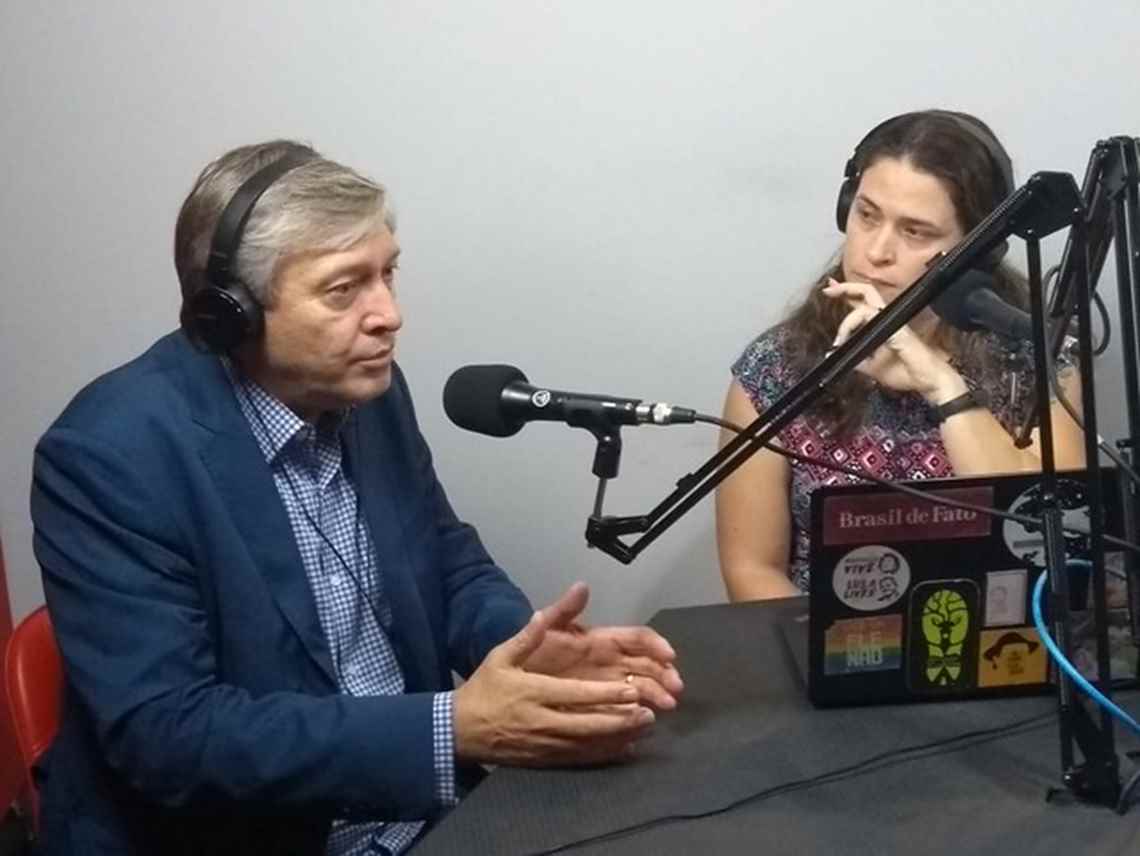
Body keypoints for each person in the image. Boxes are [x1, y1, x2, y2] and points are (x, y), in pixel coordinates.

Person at [30, 140, 683, 855]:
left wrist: (525, 647)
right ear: (231, 314)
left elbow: (445, 562)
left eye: (388, 273)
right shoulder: (108, 456)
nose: (388, 315)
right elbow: (171, 737)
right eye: (344, 289)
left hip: (425, 815)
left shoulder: (369, 392)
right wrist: (449, 730)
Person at [716, 110, 1085, 602]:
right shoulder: (775, 368)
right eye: (866, 215)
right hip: (814, 639)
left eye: (915, 232)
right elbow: (751, 569)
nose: (876, 252)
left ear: (978, 251)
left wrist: (945, 389)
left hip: (1000, 635)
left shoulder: (1033, 356)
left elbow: (1054, 548)